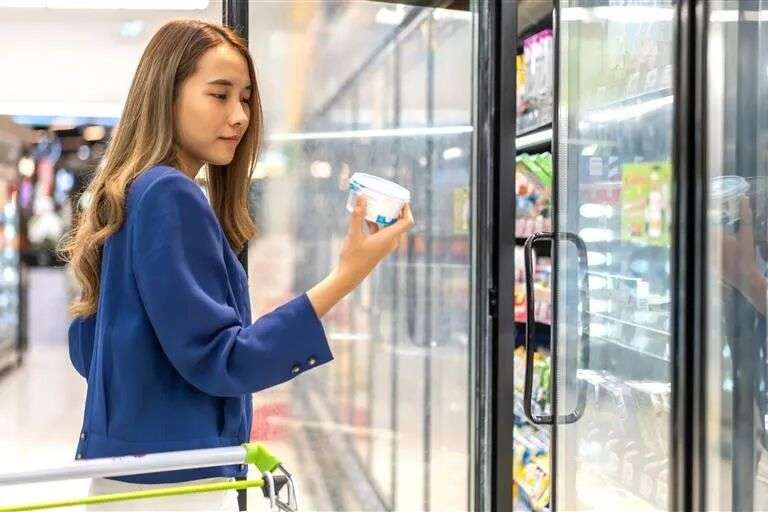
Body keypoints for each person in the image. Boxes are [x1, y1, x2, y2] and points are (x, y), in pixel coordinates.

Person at [60, 20, 414, 511]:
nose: (239, 116)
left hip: (127, 480)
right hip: (176, 490)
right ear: (166, 95)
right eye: (219, 95)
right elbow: (225, 360)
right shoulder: (170, 194)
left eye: (245, 99)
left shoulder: (130, 191)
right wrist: (348, 274)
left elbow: (88, 348)